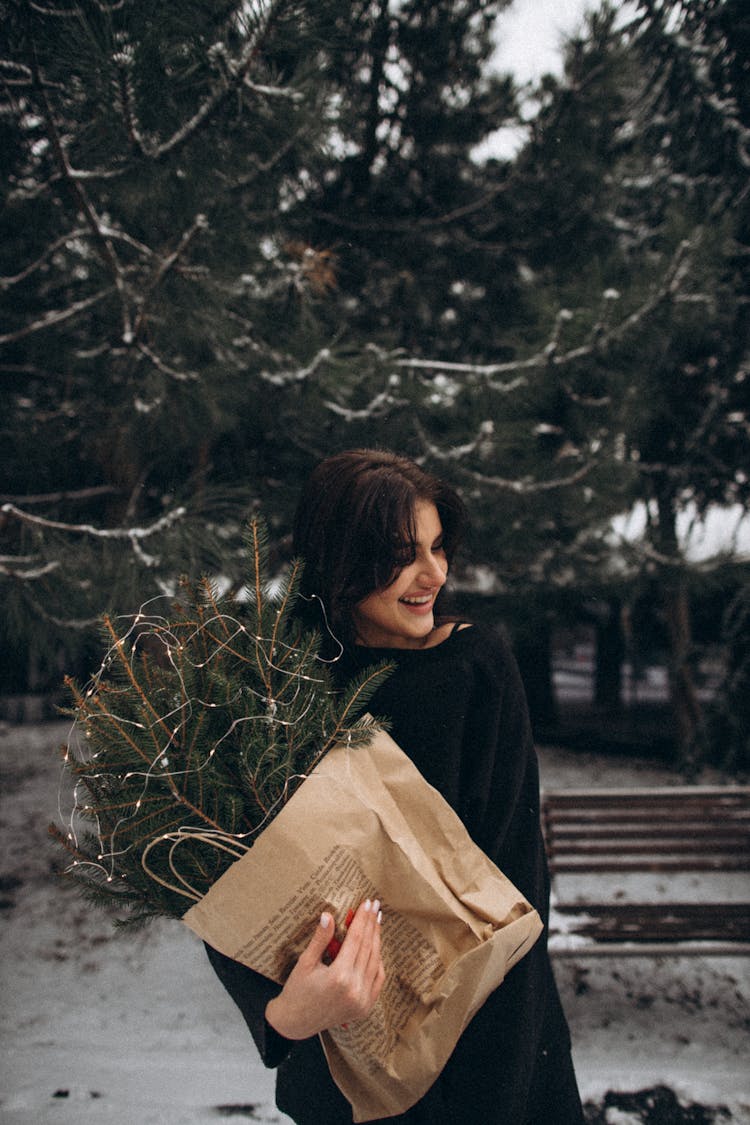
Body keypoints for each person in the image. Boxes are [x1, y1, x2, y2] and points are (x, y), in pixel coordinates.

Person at [206, 448, 585, 1124]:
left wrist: (495, 1099)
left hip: (488, 1064)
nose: (433, 574)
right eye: (403, 554)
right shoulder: (276, 685)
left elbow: (517, 897)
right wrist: (282, 1016)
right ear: (338, 556)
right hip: (340, 1067)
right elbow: (224, 875)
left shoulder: (475, 669)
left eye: (440, 548)